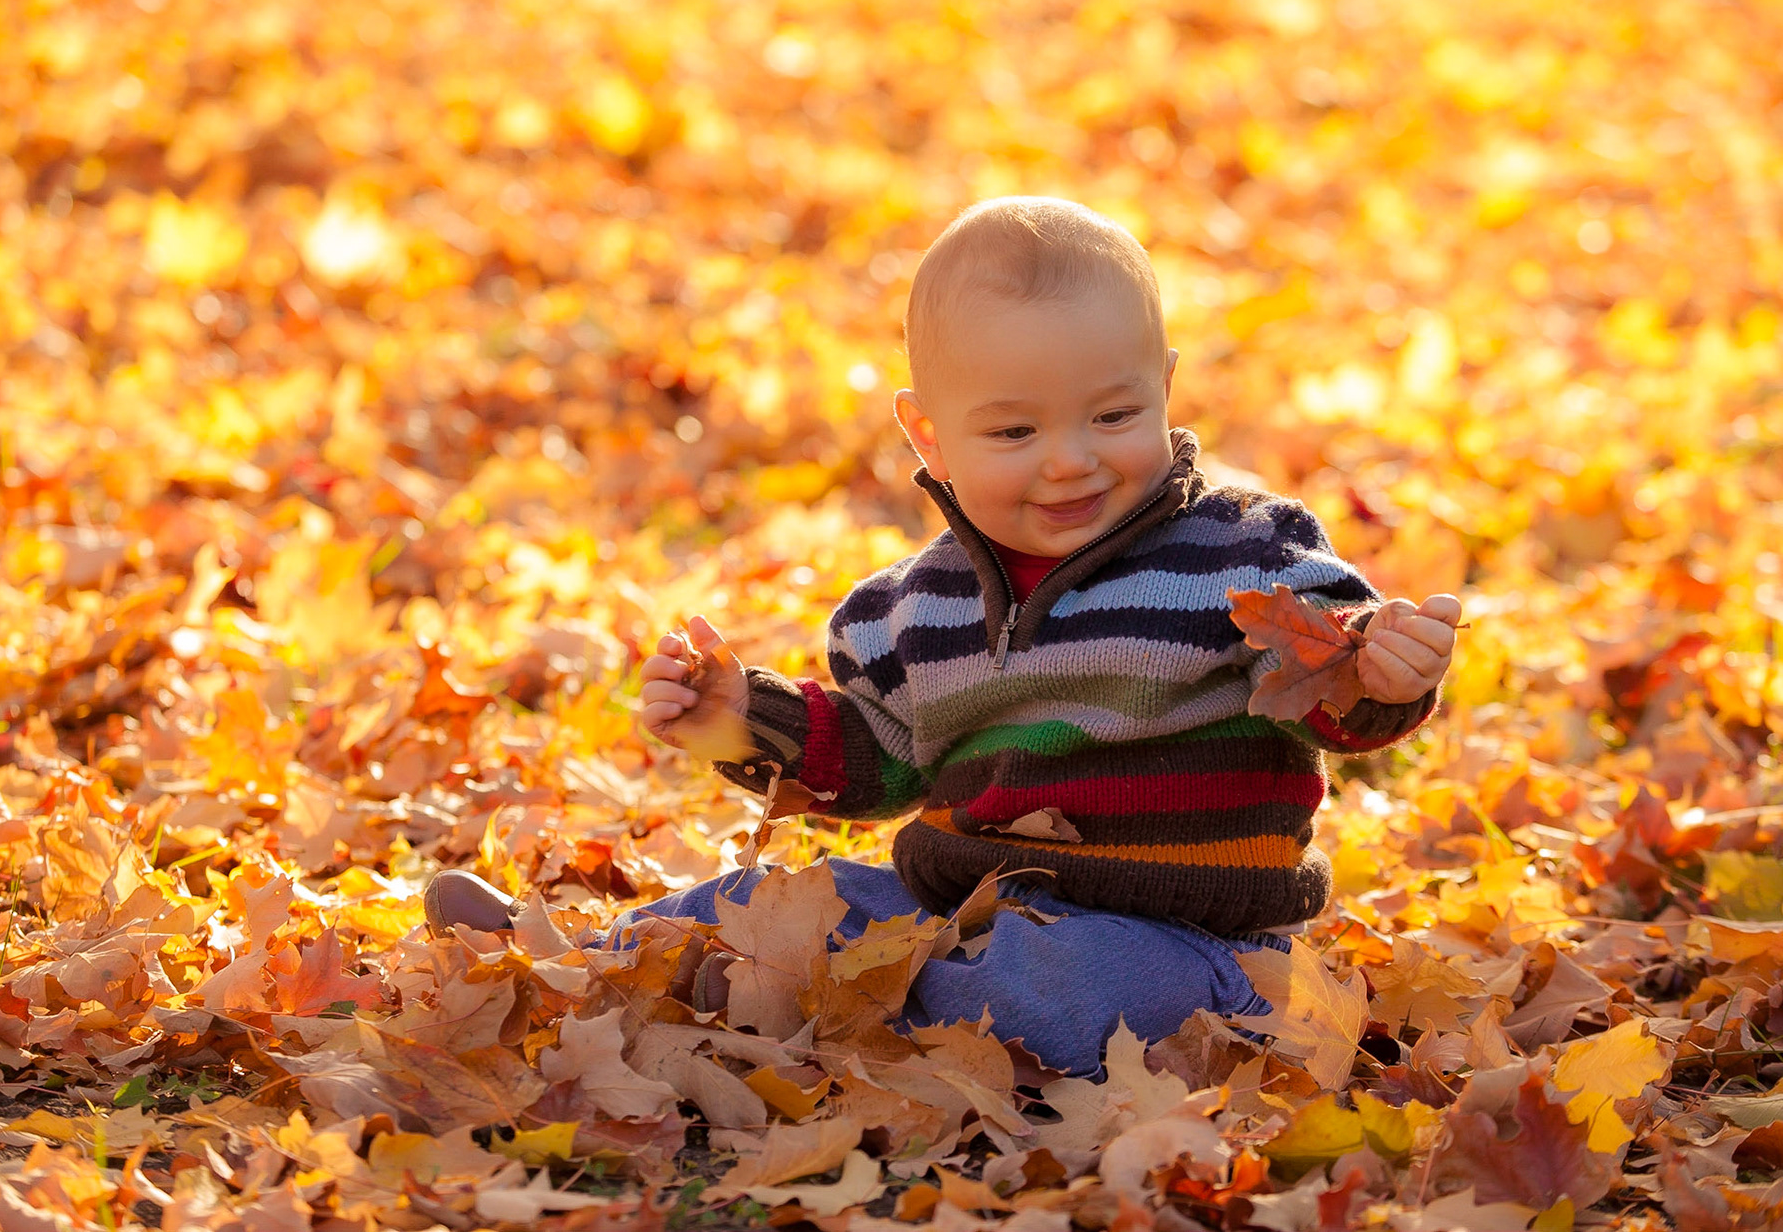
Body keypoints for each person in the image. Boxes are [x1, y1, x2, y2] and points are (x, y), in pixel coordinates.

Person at [425, 197, 1460, 1074]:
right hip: (960, 907)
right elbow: (879, 759)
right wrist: (741, 717)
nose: (1070, 459)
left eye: (1113, 415)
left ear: (1165, 387)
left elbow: (1326, 683)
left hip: (1186, 940)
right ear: (929, 434)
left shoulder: (1243, 553)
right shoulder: (913, 610)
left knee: (1073, 986)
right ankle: (577, 960)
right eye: (1014, 431)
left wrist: (1379, 670)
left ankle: (867, 1022)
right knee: (775, 901)